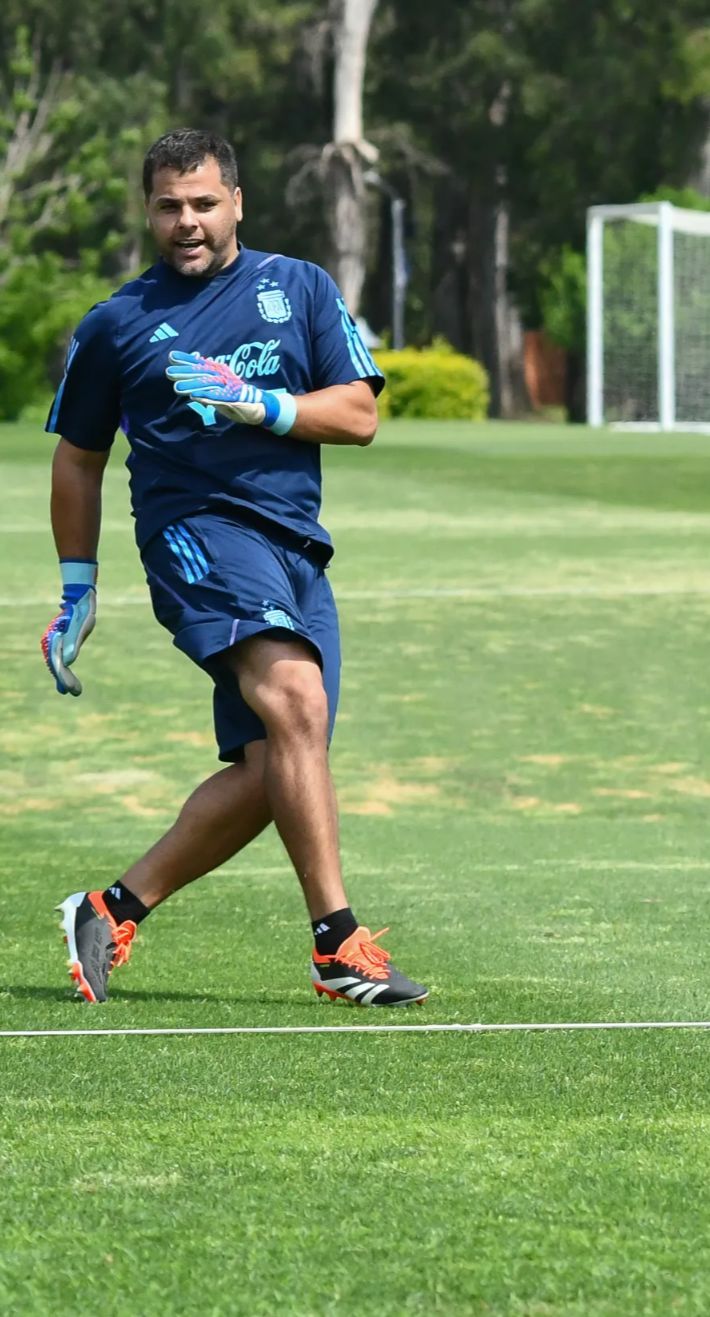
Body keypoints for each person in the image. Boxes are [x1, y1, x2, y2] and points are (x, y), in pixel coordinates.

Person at [43, 128, 427, 1008]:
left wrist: (263, 403)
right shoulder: (116, 324)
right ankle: (337, 944)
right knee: (298, 702)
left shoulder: (301, 287)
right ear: (148, 211)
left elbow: (360, 413)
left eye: (204, 202)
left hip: (294, 545)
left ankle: (109, 909)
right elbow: (78, 458)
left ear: (237, 203)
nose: (188, 221)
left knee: (279, 766)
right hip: (194, 535)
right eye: (169, 205)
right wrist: (77, 587)